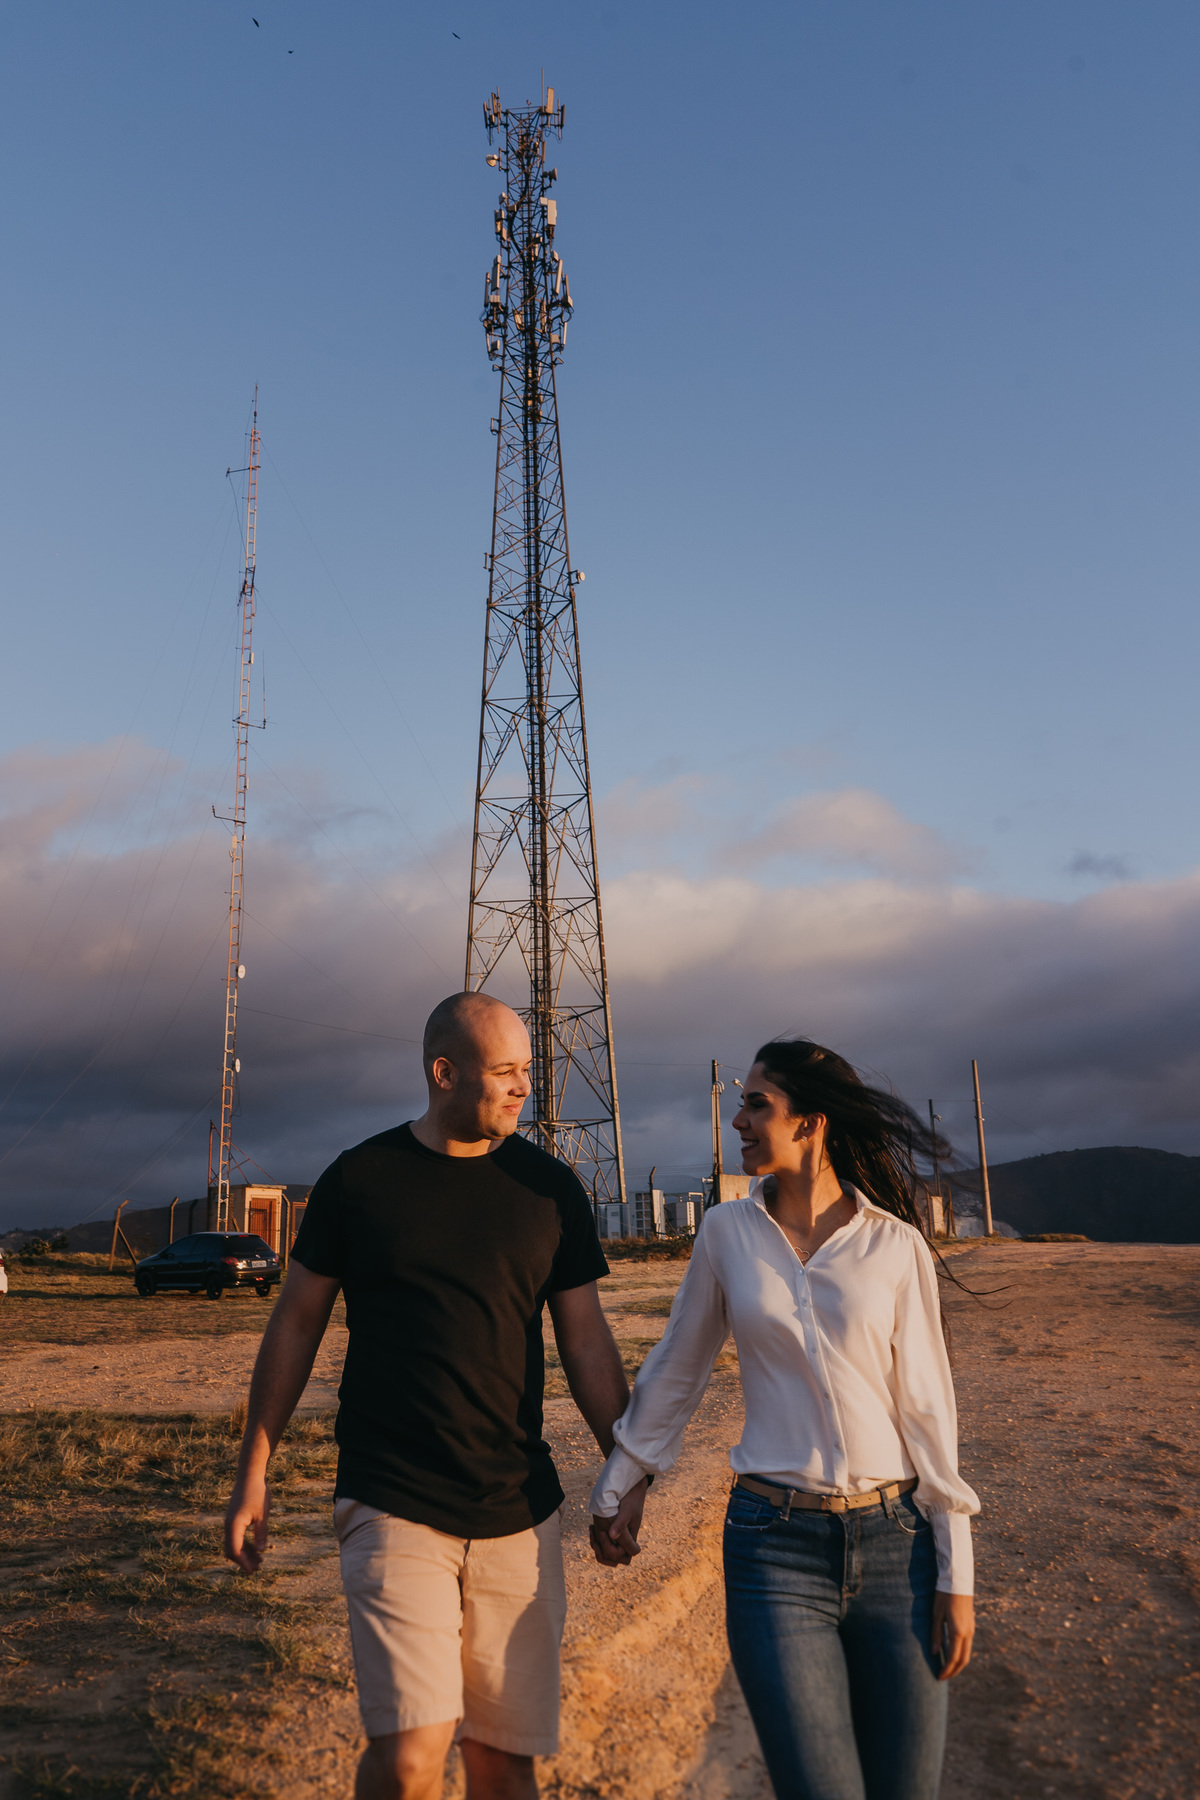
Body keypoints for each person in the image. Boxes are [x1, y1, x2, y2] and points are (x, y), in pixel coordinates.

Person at [224, 991, 643, 1800]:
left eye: (530, 1071)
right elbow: (295, 1325)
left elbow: (585, 1341)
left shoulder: (550, 1190)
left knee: (501, 1766)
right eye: (508, 1073)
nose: (526, 1089)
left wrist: (624, 1473)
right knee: (412, 1755)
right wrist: (254, 1472)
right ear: (443, 1072)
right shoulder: (361, 1179)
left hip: (516, 1511)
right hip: (391, 1497)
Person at [589, 1037, 979, 1800]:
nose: (737, 1118)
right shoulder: (725, 1234)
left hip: (899, 1550)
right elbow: (678, 1366)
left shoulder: (895, 1247)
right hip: (774, 1551)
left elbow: (931, 1410)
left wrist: (955, 1572)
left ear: (812, 1123)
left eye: (756, 1103)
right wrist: (624, 1480)